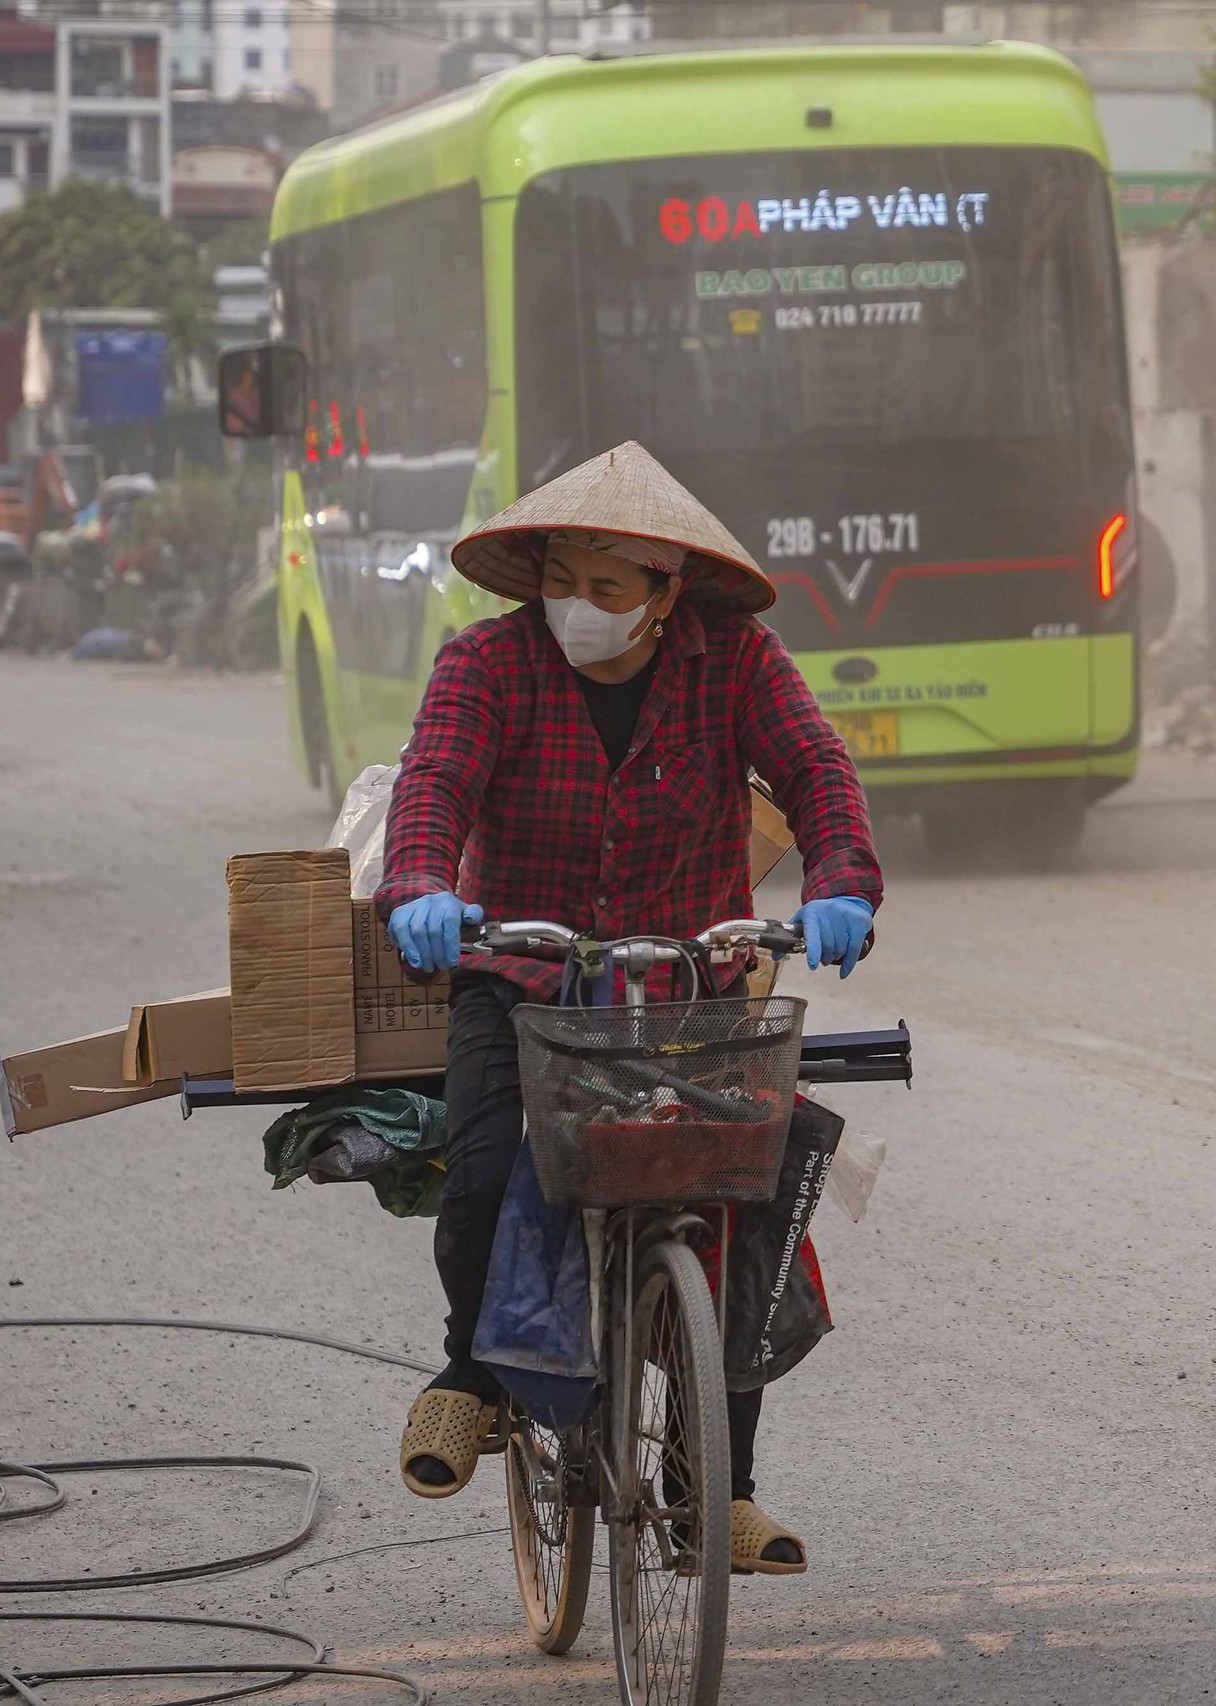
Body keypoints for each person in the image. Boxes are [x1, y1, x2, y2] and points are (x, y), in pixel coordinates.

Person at [374, 441, 883, 1575]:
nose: (577, 608)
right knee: (486, 1167)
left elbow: (815, 769)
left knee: (733, 1214)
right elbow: (434, 786)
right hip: (523, 976)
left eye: (608, 588)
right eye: (562, 579)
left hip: (692, 982)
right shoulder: (486, 666)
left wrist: (843, 877)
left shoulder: (737, 663)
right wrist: (417, 884)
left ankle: (722, 1487)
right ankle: (474, 1370)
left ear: (666, 596)